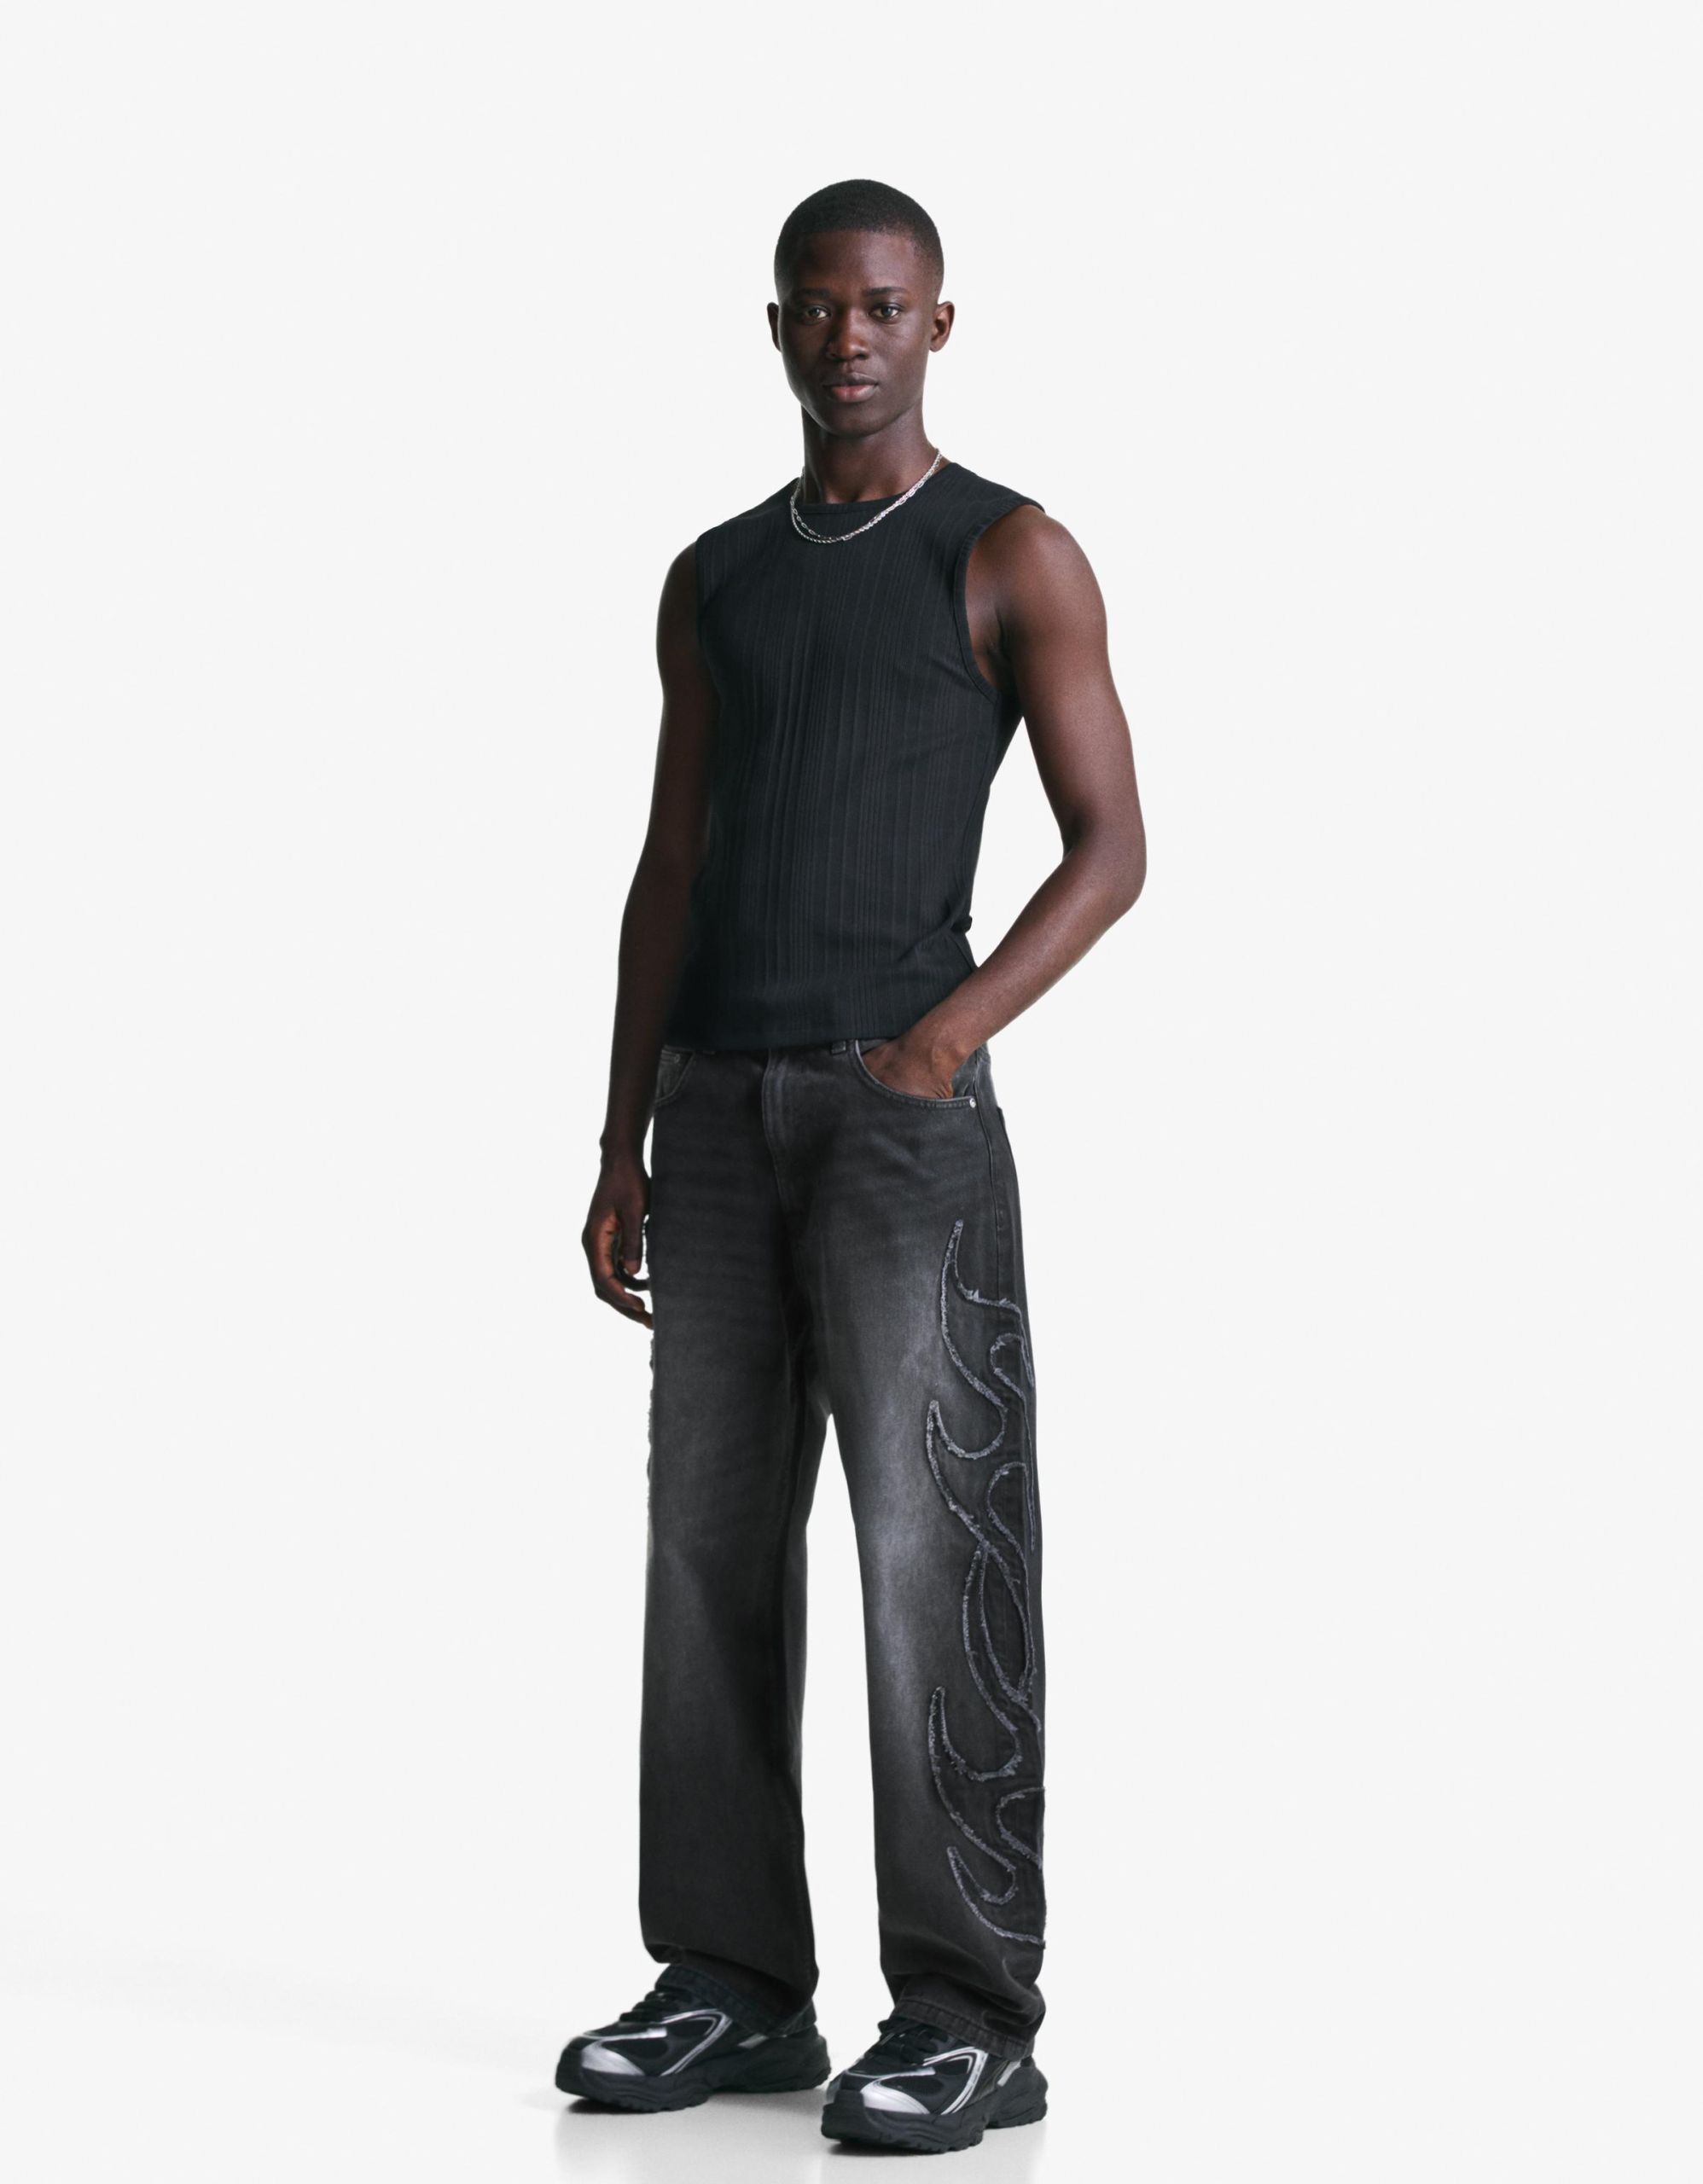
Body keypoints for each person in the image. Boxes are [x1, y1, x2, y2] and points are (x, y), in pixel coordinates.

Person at [557, 177, 1146, 2154]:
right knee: (708, 1556)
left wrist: (938, 1041)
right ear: (775, 326)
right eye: (816, 307)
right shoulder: (714, 576)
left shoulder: (1008, 551)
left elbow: (1111, 848)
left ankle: (969, 2015)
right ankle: (731, 1982)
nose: (848, 339)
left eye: (882, 306)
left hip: (900, 1125)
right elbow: (670, 863)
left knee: (931, 1549)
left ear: (936, 324)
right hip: (715, 1112)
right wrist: (621, 1128)